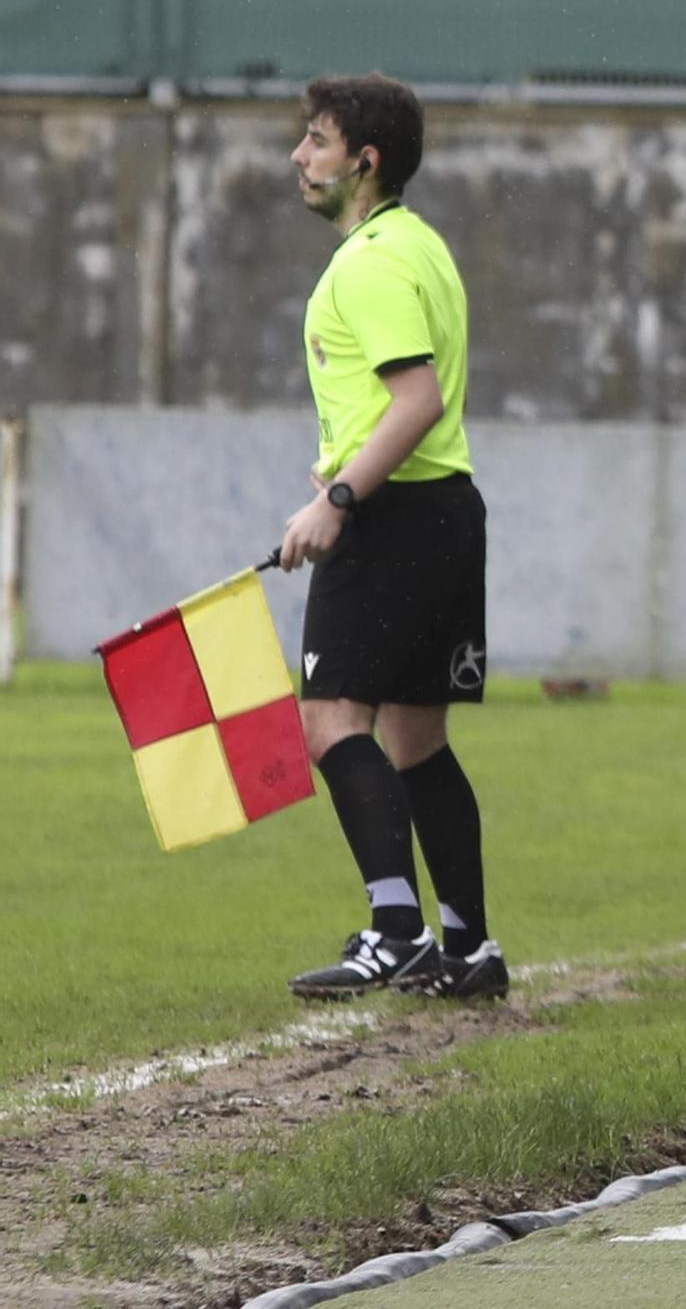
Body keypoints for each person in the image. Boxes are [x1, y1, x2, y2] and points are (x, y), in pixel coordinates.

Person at [277, 73, 507, 1002]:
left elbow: (419, 398)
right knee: (416, 741)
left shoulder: (368, 263)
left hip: (394, 518)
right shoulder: (421, 247)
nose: (300, 156)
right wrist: (345, 465)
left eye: (318, 141)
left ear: (364, 163)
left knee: (330, 718)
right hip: (445, 511)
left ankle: (394, 929)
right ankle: (469, 946)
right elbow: (405, 404)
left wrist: (338, 495)